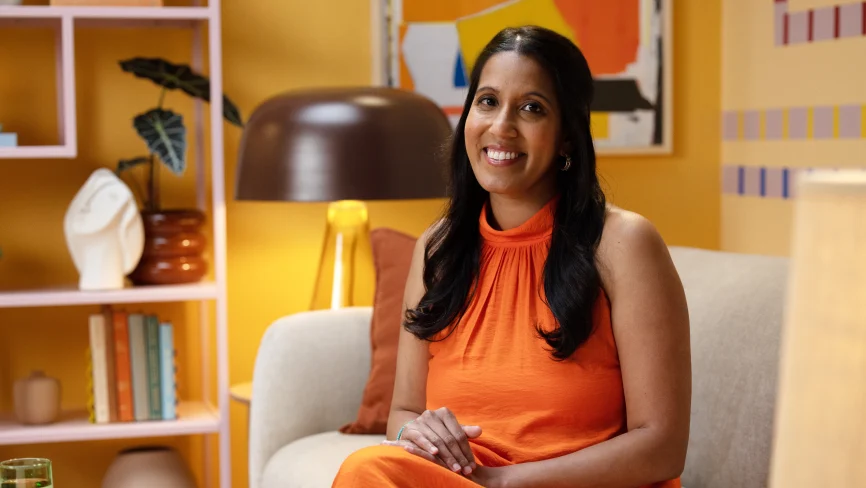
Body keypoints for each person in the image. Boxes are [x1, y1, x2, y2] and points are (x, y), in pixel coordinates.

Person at [332, 25, 691, 488]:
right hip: (466, 480)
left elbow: (662, 446)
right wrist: (417, 432)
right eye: (487, 101)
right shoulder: (437, 249)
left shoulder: (624, 244)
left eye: (531, 108)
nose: (501, 126)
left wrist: (507, 481)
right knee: (368, 470)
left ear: (566, 137)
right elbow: (404, 411)